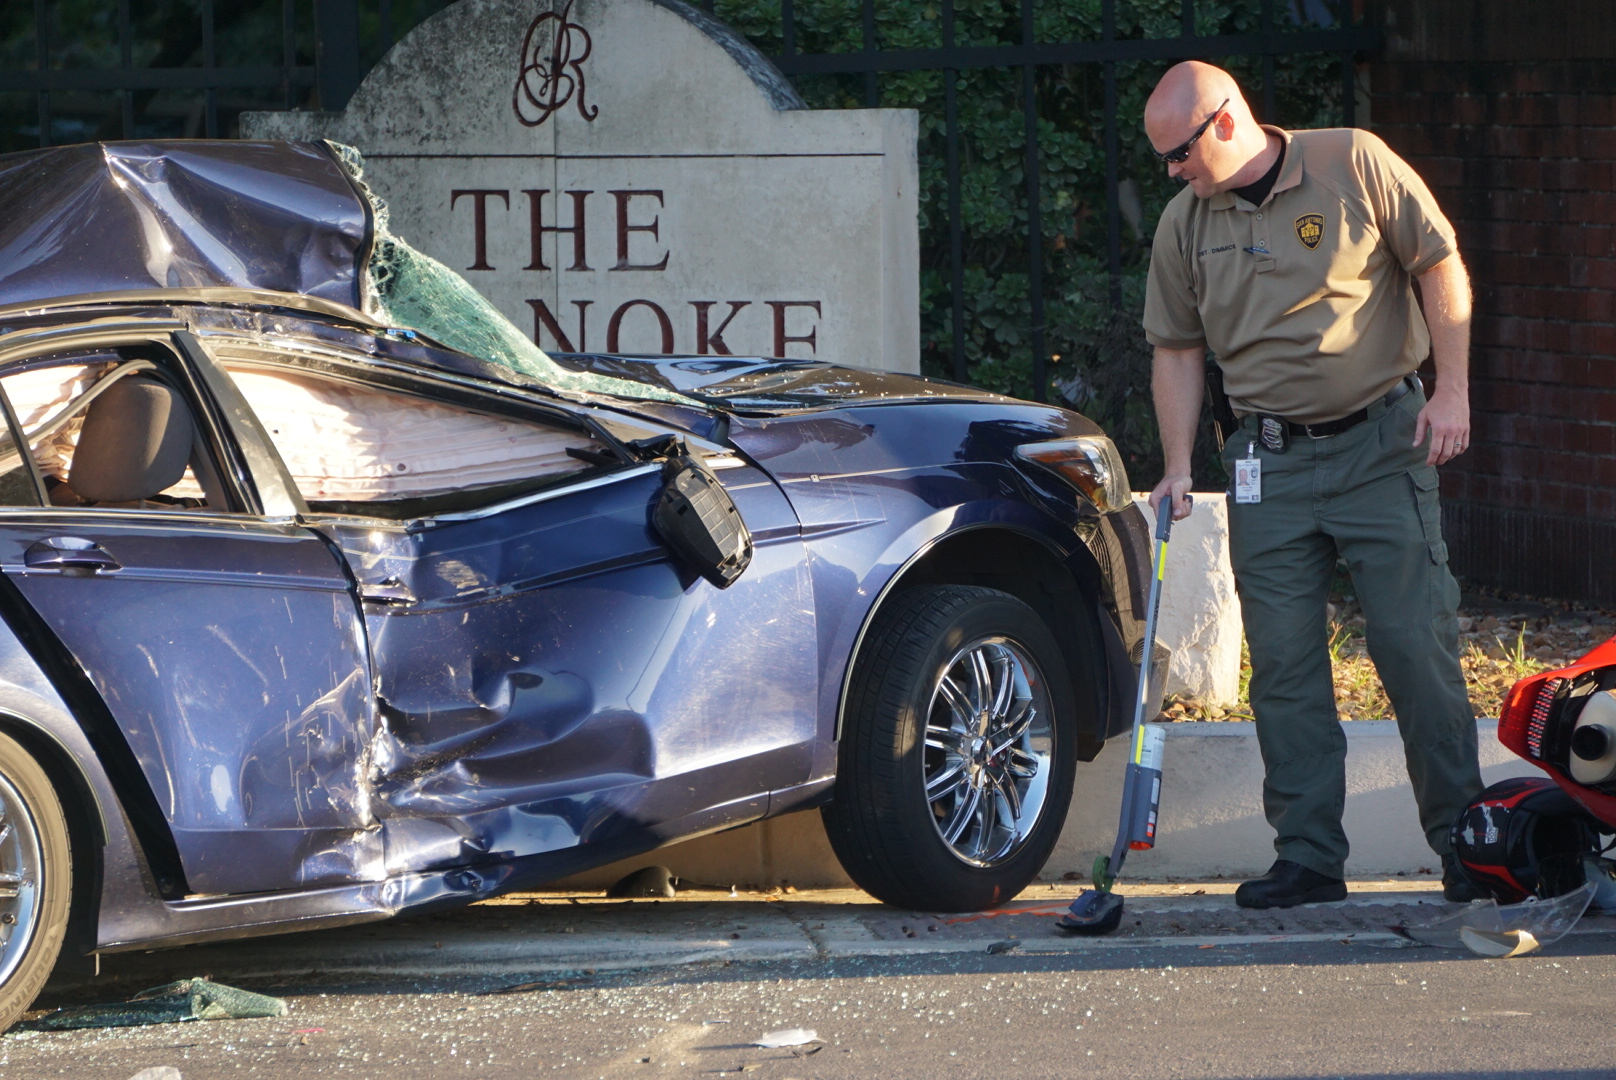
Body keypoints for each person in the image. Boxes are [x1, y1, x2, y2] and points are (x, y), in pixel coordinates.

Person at [1141, 61, 1484, 908]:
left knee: (1415, 650)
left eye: (1179, 153)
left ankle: (1469, 846)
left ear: (1224, 122)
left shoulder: (1351, 161)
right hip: (1269, 464)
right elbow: (1177, 350)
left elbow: (1439, 265)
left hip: (1381, 443)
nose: (1172, 172)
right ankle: (1307, 856)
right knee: (1285, 670)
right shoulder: (1186, 222)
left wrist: (1451, 391)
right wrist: (1181, 463)